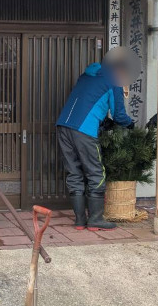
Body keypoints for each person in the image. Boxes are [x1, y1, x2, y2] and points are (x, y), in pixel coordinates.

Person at [56, 47, 137, 231]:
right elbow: (119, 114)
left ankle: (79, 220)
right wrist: (129, 124)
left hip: (63, 125)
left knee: (74, 173)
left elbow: (88, 101)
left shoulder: (86, 75)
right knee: (96, 173)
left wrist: (103, 120)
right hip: (84, 129)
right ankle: (95, 219)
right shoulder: (113, 80)